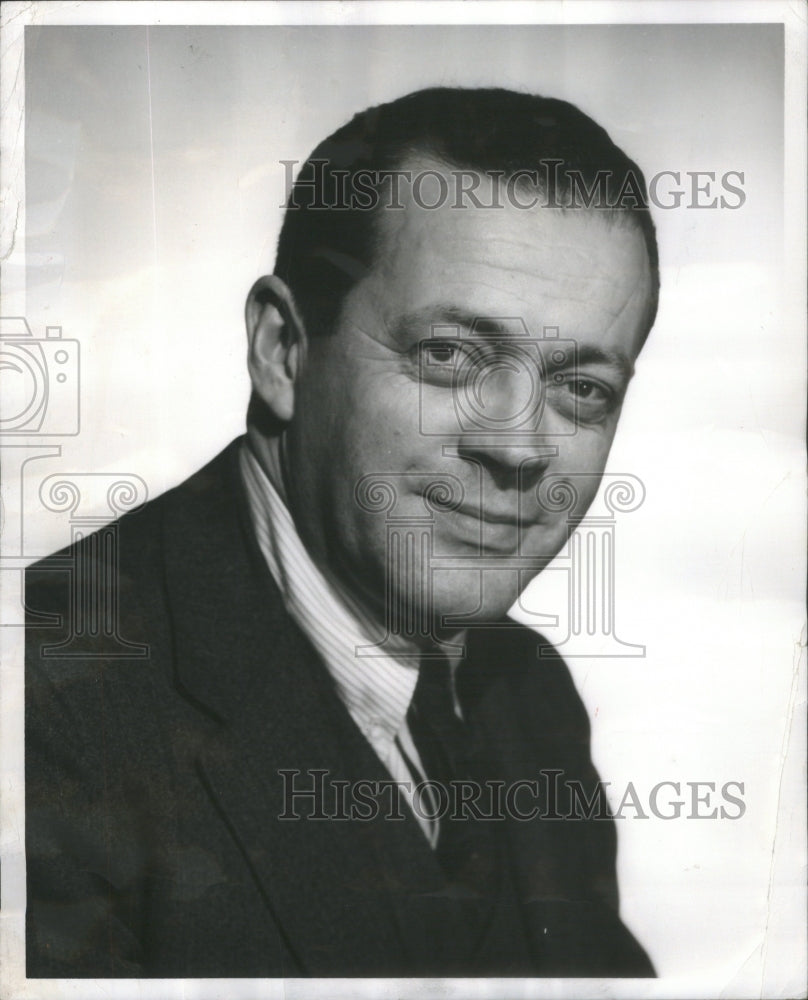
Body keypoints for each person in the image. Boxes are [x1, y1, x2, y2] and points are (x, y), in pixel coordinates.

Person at [26, 87, 659, 978]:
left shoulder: (530, 697)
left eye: (582, 389)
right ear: (282, 350)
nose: (519, 446)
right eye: (449, 355)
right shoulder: (41, 704)